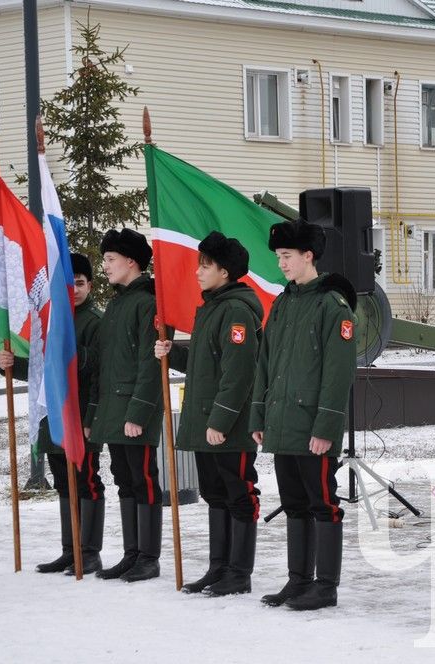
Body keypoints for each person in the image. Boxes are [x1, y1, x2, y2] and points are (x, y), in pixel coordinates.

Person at [250, 220, 357, 611]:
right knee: (294, 503)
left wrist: (326, 426)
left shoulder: (332, 306)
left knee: (322, 504)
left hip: (313, 427)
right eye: (278, 257)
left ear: (308, 256)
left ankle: (325, 587)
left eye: (287, 256)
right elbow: (265, 362)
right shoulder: (282, 303)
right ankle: (298, 581)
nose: (281, 264)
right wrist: (258, 415)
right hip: (283, 424)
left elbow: (338, 371)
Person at [154, 232, 263, 596]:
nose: (198, 271)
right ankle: (219, 567)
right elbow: (207, 365)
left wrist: (219, 421)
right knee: (215, 494)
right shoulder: (212, 307)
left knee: (238, 494)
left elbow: (239, 373)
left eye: (206, 265)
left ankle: (239, 572)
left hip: (228, 427)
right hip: (207, 424)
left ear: (226, 271)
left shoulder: (236, 311)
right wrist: (174, 352)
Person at [0, 253, 104, 574]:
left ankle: (90, 552)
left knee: (86, 482)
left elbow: (98, 367)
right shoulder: (53, 318)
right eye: (70, 285)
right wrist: (12, 365)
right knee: (62, 482)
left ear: (90, 285)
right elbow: (42, 370)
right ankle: (70, 550)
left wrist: (91, 420)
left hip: (81, 415)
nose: (75, 291)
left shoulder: (94, 322)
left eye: (81, 284)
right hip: (53, 414)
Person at [87, 228, 169, 583]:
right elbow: (103, 366)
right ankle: (132, 554)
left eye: (110, 259)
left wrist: (138, 413)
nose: (104, 266)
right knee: (124, 480)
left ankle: (149, 557)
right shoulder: (118, 304)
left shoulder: (148, 302)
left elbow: (150, 364)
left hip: (136, 411)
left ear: (131, 262)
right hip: (112, 410)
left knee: (143, 480)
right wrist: (94, 414)